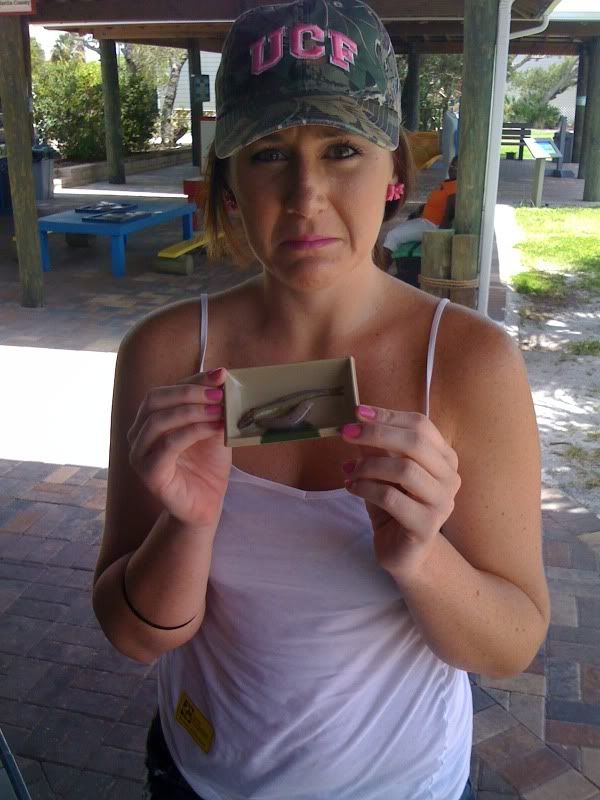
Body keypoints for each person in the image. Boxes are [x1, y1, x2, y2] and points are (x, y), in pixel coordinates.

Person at [92, 2, 550, 799]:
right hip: (200, 777)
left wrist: (422, 558)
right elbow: (134, 636)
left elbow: (509, 648)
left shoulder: (471, 365)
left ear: (394, 172)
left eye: (342, 150)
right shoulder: (165, 356)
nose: (305, 196)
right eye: (269, 154)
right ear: (229, 185)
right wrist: (188, 523)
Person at [382, 157, 458, 272]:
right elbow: (437, 203)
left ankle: (382, 269)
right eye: (452, 165)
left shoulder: (454, 188)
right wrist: (420, 210)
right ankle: (389, 268)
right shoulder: (449, 183)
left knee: (393, 236)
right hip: (425, 221)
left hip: (432, 226)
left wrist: (440, 241)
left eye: (456, 167)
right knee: (397, 232)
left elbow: (447, 216)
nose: (451, 169)